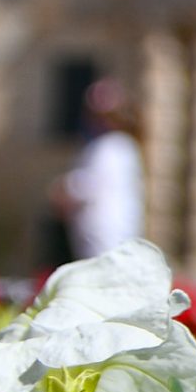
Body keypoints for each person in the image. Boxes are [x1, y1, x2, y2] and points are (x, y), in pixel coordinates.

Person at [51, 76, 144, 259]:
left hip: (104, 230)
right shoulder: (125, 146)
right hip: (113, 228)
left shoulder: (110, 146)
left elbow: (87, 186)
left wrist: (62, 188)